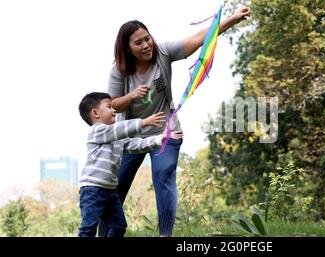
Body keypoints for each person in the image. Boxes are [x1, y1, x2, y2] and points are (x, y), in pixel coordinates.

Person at [100, 6, 251, 237]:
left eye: (147, 39)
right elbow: (111, 105)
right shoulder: (119, 70)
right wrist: (131, 96)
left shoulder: (163, 52)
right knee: (114, 187)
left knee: (164, 175)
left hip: (165, 132)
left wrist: (232, 19)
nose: (146, 45)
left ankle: (165, 235)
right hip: (130, 136)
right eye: (138, 43)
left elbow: (201, 37)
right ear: (127, 48)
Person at [77, 92, 183, 237]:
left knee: (119, 226)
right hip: (92, 190)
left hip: (110, 191)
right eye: (109, 107)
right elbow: (120, 129)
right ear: (95, 113)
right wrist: (144, 122)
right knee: (88, 227)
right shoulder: (96, 131)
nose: (114, 110)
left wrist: (160, 138)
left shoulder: (116, 138)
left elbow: (136, 144)